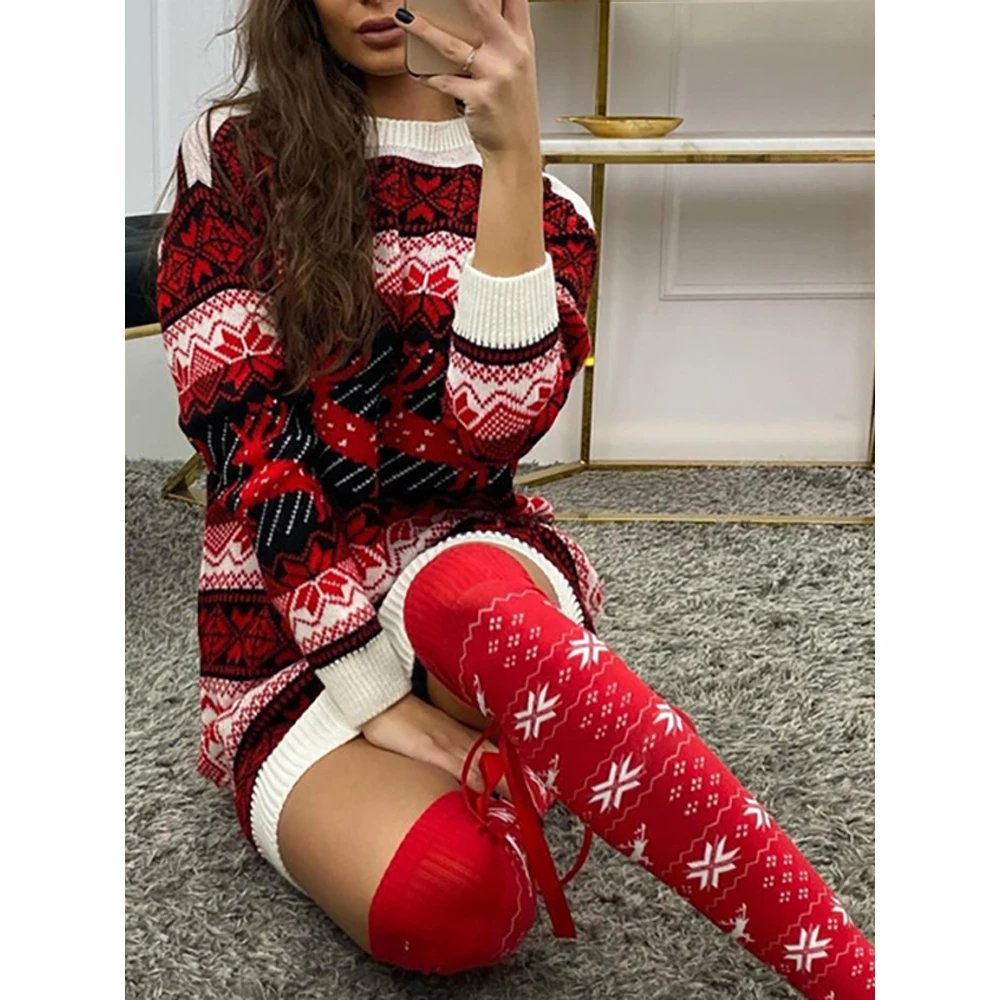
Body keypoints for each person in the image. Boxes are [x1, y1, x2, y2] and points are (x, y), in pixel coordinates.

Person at [154, 1, 875, 995]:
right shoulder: (235, 154)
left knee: (465, 604)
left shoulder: (554, 210)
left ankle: (854, 975)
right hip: (280, 631)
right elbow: (244, 440)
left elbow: (493, 432)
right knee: (456, 903)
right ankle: (532, 732)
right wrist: (367, 690)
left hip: (467, 572)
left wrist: (509, 159)